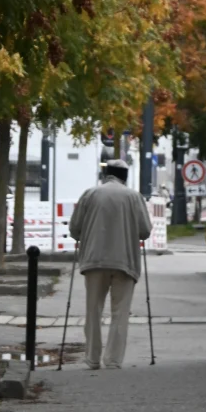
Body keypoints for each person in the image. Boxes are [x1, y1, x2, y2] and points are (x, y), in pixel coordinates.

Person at [68, 158, 152, 369]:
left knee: (93, 310)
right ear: (125, 176)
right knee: (120, 312)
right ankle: (113, 359)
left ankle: (92, 357)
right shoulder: (134, 197)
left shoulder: (90, 194)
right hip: (125, 261)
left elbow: (75, 229)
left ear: (106, 175)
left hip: (94, 260)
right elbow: (145, 231)